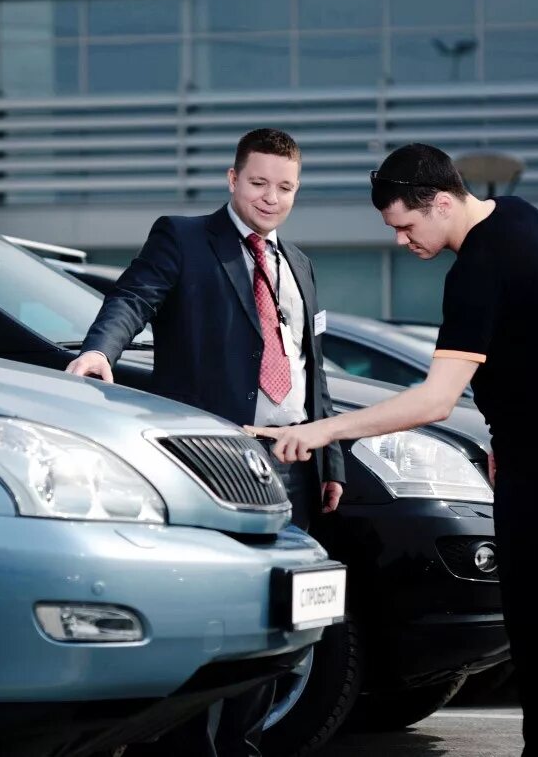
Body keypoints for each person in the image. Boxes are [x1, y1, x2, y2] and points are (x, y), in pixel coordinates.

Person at [248, 143, 538, 757]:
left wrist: (324, 430)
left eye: (406, 225)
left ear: (443, 201)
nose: (403, 241)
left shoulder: (479, 268)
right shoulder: (522, 217)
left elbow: (433, 401)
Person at [66, 127, 345, 757]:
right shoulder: (186, 238)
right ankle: (181, 748)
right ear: (231, 178)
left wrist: (331, 457)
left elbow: (311, 368)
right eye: (258, 183)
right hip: (214, 462)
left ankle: (241, 742)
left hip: (291, 461)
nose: (271, 198)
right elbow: (133, 297)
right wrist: (98, 351)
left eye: (285, 187)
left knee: (282, 617)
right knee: (210, 614)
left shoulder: (299, 264)